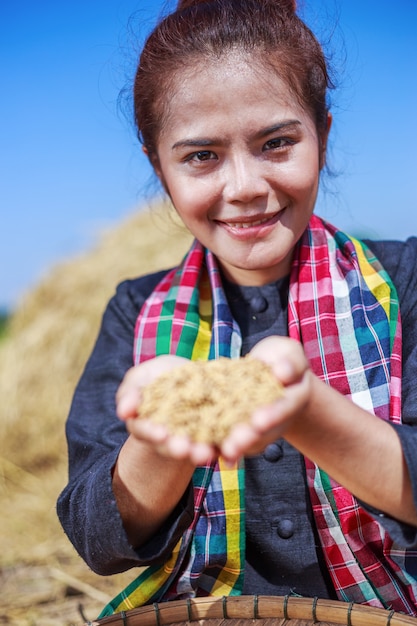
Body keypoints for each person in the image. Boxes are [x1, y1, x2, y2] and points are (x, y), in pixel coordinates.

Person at [57, 0, 417, 618]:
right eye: (201, 156)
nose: (245, 187)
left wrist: (305, 410)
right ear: (159, 167)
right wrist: (161, 438)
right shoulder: (136, 312)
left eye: (276, 143)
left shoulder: (402, 281)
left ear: (323, 137)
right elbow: (98, 540)